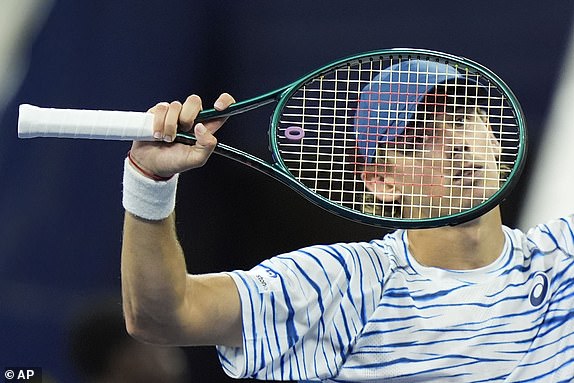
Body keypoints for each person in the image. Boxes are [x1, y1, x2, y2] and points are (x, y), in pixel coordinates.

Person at [120, 65, 574, 381]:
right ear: (381, 180)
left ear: (497, 139)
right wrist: (150, 182)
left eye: (466, 116)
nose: (457, 141)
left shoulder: (564, 255)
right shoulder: (342, 286)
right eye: (421, 134)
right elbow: (163, 315)